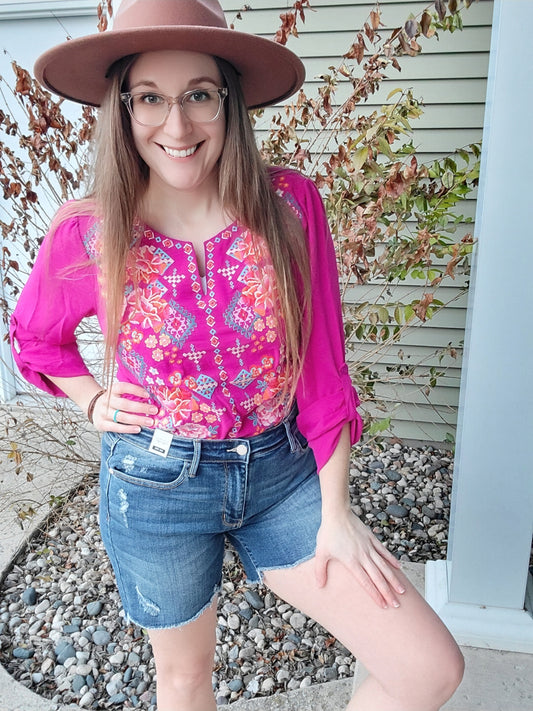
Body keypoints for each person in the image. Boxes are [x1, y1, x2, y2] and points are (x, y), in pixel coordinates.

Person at [10, 1, 464, 709]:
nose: (178, 125)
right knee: (186, 680)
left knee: (426, 667)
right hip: (156, 485)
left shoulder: (287, 205)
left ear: (229, 102)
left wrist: (336, 511)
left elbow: (323, 367)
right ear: (122, 110)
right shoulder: (89, 230)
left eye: (198, 95)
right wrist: (91, 398)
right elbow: (36, 338)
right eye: (150, 99)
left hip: (282, 475)